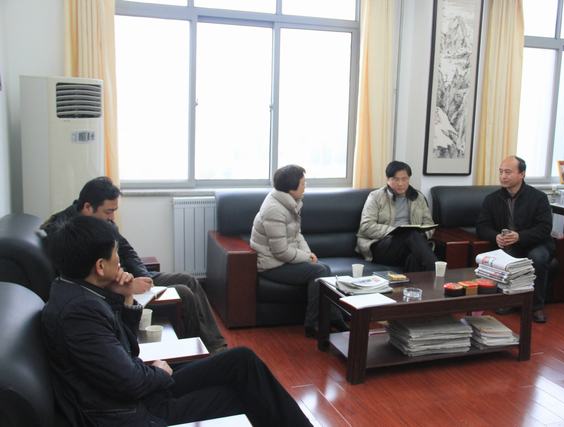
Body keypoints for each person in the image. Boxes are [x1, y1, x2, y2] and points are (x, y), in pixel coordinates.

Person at [41, 215, 312, 426]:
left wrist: (125, 297)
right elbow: (129, 381)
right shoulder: (80, 313)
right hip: (134, 412)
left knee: (242, 360)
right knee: (246, 393)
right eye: (116, 255)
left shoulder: (77, 290)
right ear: (100, 267)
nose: (121, 262)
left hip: (138, 395)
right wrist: (159, 372)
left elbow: (125, 349)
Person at [41, 177, 227, 353]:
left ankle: (216, 346)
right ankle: (196, 354)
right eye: (108, 211)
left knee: (189, 280)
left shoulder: (103, 223)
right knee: (184, 293)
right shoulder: (64, 233)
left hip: (129, 277)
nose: (112, 217)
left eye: (114, 211)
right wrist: (124, 286)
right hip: (115, 288)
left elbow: (127, 250)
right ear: (88, 207)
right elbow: (85, 280)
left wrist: (142, 276)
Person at [250, 164, 347, 337]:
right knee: (320, 271)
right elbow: (280, 251)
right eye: (303, 183)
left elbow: (297, 234)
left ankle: (333, 318)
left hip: (283, 259)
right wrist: (306, 257)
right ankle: (313, 324)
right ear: (291, 188)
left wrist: (308, 255)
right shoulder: (274, 209)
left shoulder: (290, 203)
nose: (305, 187)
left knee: (323, 269)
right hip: (271, 265)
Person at [476, 155, 554, 323]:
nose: (503, 176)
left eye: (508, 172)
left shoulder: (538, 197)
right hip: (508, 245)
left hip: (535, 243)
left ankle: (536, 307)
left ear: (522, 174)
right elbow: (482, 226)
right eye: (501, 172)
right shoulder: (492, 199)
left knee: (537, 258)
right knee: (506, 258)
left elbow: (545, 228)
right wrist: (495, 236)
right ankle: (508, 301)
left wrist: (520, 236)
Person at [356, 160, 437, 272]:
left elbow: (429, 224)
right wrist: (395, 231)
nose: (400, 183)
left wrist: (422, 235)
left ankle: (411, 284)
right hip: (382, 246)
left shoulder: (418, 197)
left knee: (413, 257)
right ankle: (437, 272)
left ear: (409, 179)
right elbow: (366, 226)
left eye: (404, 179)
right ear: (388, 179)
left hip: (411, 245)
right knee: (410, 234)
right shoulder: (376, 197)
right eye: (395, 179)